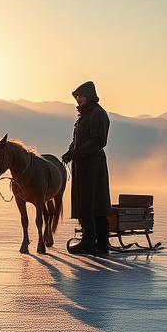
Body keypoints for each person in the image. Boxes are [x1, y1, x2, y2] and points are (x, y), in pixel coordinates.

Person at [61, 80, 111, 255]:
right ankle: (89, 240)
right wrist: (69, 153)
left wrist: (77, 154)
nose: (78, 100)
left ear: (89, 97)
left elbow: (98, 140)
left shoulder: (98, 114)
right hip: (82, 166)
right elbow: (77, 141)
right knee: (85, 202)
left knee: (95, 203)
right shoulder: (84, 116)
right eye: (76, 97)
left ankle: (101, 242)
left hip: (93, 166)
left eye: (80, 96)